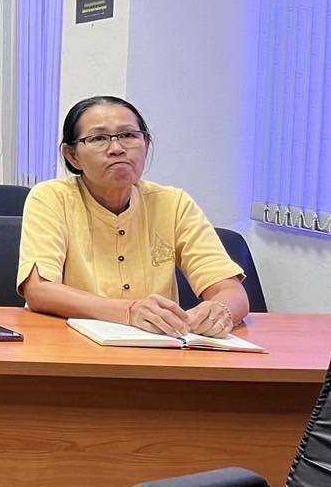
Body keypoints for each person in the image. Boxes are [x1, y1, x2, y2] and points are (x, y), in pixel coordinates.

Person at [18, 96, 250, 336]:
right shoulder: (51, 198)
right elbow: (39, 290)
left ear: (146, 144)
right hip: (68, 345)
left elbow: (231, 291)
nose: (117, 149)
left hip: (158, 351)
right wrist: (128, 311)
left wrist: (220, 311)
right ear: (72, 156)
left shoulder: (173, 203)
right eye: (98, 138)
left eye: (129, 135)